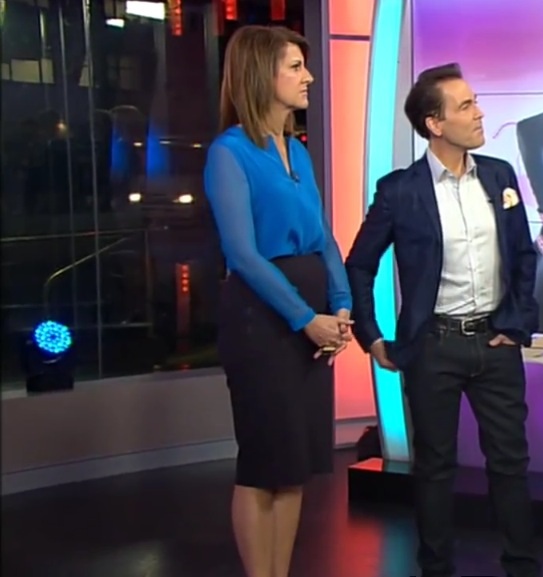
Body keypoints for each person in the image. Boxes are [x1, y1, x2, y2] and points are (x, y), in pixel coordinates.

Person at [346, 63, 541, 577]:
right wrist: (371, 336)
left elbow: (523, 255)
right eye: (466, 106)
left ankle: (522, 567)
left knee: (511, 462)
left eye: (476, 102)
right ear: (434, 124)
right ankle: (435, 568)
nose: (480, 114)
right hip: (433, 347)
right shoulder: (399, 191)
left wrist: (516, 323)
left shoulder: (499, 175)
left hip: (495, 343)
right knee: (434, 467)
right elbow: (360, 264)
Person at [203, 25, 354, 577]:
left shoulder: (298, 152)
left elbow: (323, 238)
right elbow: (243, 254)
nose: (308, 76)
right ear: (260, 74)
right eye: (295, 66)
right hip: (261, 321)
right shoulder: (229, 153)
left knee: (294, 466)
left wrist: (340, 306)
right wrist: (304, 319)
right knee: (263, 463)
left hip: (312, 314)